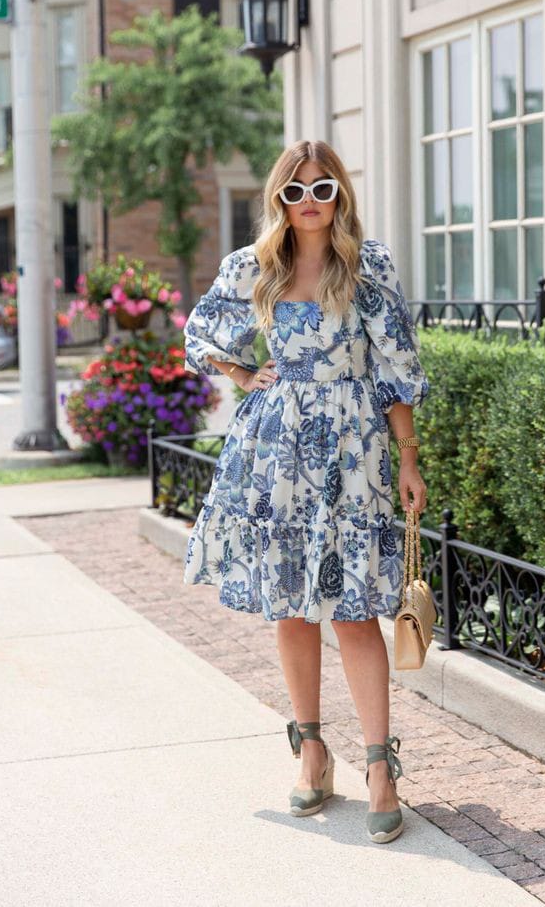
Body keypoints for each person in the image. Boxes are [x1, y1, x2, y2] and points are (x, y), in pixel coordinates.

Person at [182, 139, 429, 844]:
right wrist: (241, 374)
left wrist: (408, 456)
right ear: (279, 200)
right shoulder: (255, 266)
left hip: (353, 452)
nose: (311, 202)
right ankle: (312, 752)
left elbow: (397, 368)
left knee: (354, 611)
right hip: (277, 451)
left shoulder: (368, 265)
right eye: (296, 191)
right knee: (291, 605)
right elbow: (202, 329)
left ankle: (380, 766)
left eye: (323, 189)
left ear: (339, 194)